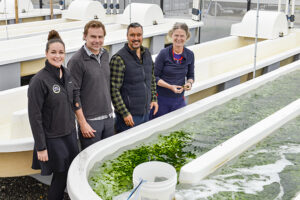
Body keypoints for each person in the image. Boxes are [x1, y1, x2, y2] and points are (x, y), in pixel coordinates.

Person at [28, 30, 79, 200]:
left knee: (69, 172)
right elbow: (34, 117)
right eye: (53, 52)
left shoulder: (67, 74)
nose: (58, 56)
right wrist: (41, 147)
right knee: (60, 176)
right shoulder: (39, 81)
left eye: (61, 52)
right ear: (46, 53)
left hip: (70, 134)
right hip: (54, 138)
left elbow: (74, 97)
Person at [68, 20, 114, 150]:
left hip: (109, 118)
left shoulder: (105, 54)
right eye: (93, 36)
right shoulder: (76, 61)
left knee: (108, 157)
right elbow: (73, 94)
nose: (97, 40)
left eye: (100, 37)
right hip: (91, 122)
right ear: (84, 36)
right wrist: (83, 123)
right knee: (92, 161)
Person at [110, 22, 159, 133]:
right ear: (127, 36)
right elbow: (114, 90)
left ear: (142, 36)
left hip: (146, 113)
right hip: (129, 117)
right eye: (132, 35)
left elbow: (151, 78)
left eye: (139, 35)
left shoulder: (146, 53)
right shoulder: (118, 59)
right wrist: (125, 113)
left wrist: (154, 99)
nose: (136, 38)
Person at [152, 22, 195, 118]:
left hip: (179, 100)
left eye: (182, 36)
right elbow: (154, 77)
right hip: (161, 100)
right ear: (171, 35)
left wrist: (189, 83)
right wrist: (170, 87)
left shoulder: (190, 55)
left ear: (186, 37)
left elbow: (191, 76)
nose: (179, 39)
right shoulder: (163, 53)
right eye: (176, 35)